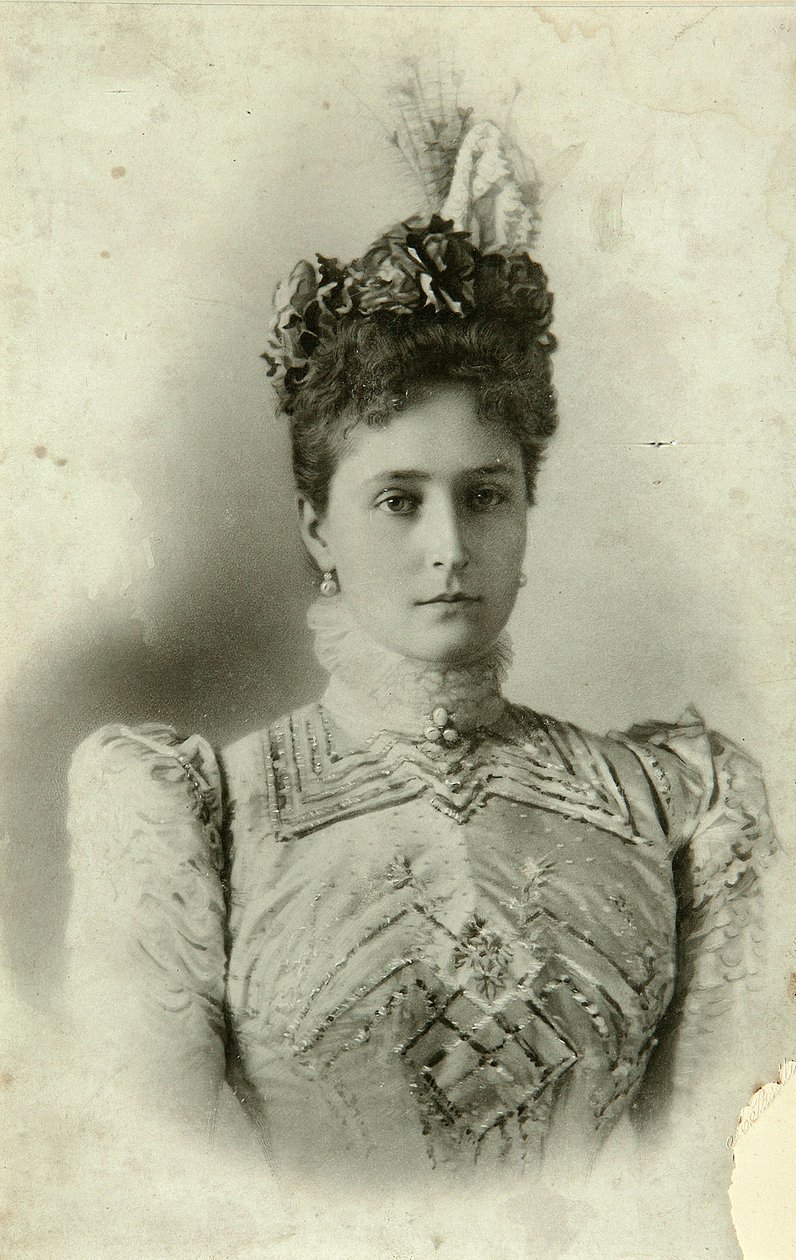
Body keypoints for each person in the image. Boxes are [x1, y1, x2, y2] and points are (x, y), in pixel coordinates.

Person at [66, 111, 777, 1201]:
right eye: (397, 500)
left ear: (526, 509)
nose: (448, 548)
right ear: (318, 527)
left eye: (484, 497)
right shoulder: (202, 817)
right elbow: (147, 1198)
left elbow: (718, 1186)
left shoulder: (674, 804)